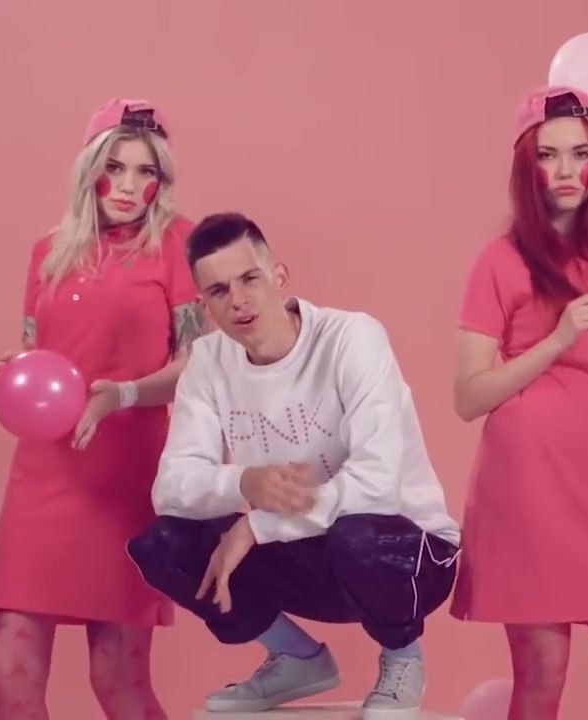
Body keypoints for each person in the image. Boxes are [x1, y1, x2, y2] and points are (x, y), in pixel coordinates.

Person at [125, 212, 461, 716]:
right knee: (164, 543)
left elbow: (377, 484)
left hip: (409, 556)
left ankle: (403, 657)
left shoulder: (352, 338)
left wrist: (255, 526)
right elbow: (171, 488)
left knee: (357, 533)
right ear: (205, 305)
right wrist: (244, 482)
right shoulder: (208, 362)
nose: (238, 300)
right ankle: (296, 658)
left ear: (279, 277)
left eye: (249, 279)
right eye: (218, 291)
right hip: (307, 556)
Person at [449, 86, 588, 719]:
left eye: (579, 154)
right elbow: (468, 396)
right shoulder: (500, 261)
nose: (566, 170)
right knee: (542, 681)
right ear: (528, 167)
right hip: (527, 487)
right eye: (548, 156)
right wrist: (556, 340)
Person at [0, 98, 207, 720]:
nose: (129, 186)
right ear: (89, 169)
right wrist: (15, 371)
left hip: (124, 480)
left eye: (145, 171)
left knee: (118, 678)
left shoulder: (178, 243)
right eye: (115, 167)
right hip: (44, 473)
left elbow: (199, 366)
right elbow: (40, 353)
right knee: (12, 668)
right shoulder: (47, 252)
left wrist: (122, 394)